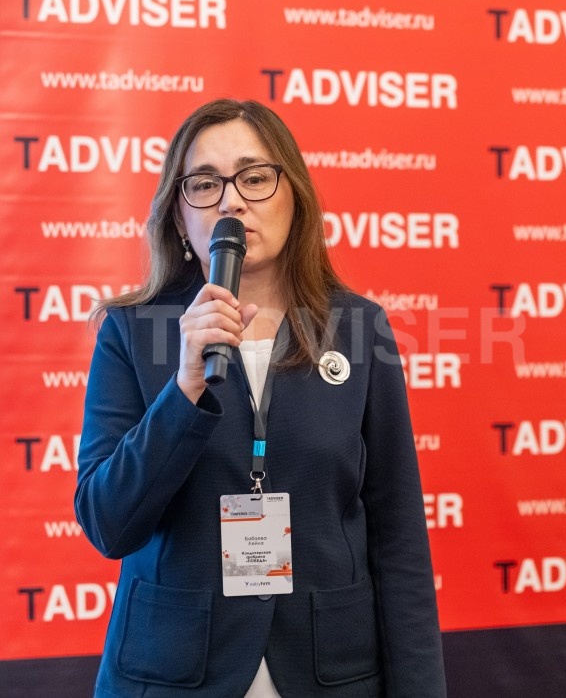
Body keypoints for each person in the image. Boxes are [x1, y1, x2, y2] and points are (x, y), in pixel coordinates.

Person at [75, 98, 447, 697]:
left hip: (332, 670)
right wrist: (184, 389)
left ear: (294, 195)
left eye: (254, 177)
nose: (231, 201)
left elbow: (398, 536)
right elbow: (108, 524)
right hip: (175, 673)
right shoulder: (132, 332)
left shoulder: (359, 329)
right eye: (204, 184)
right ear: (179, 219)